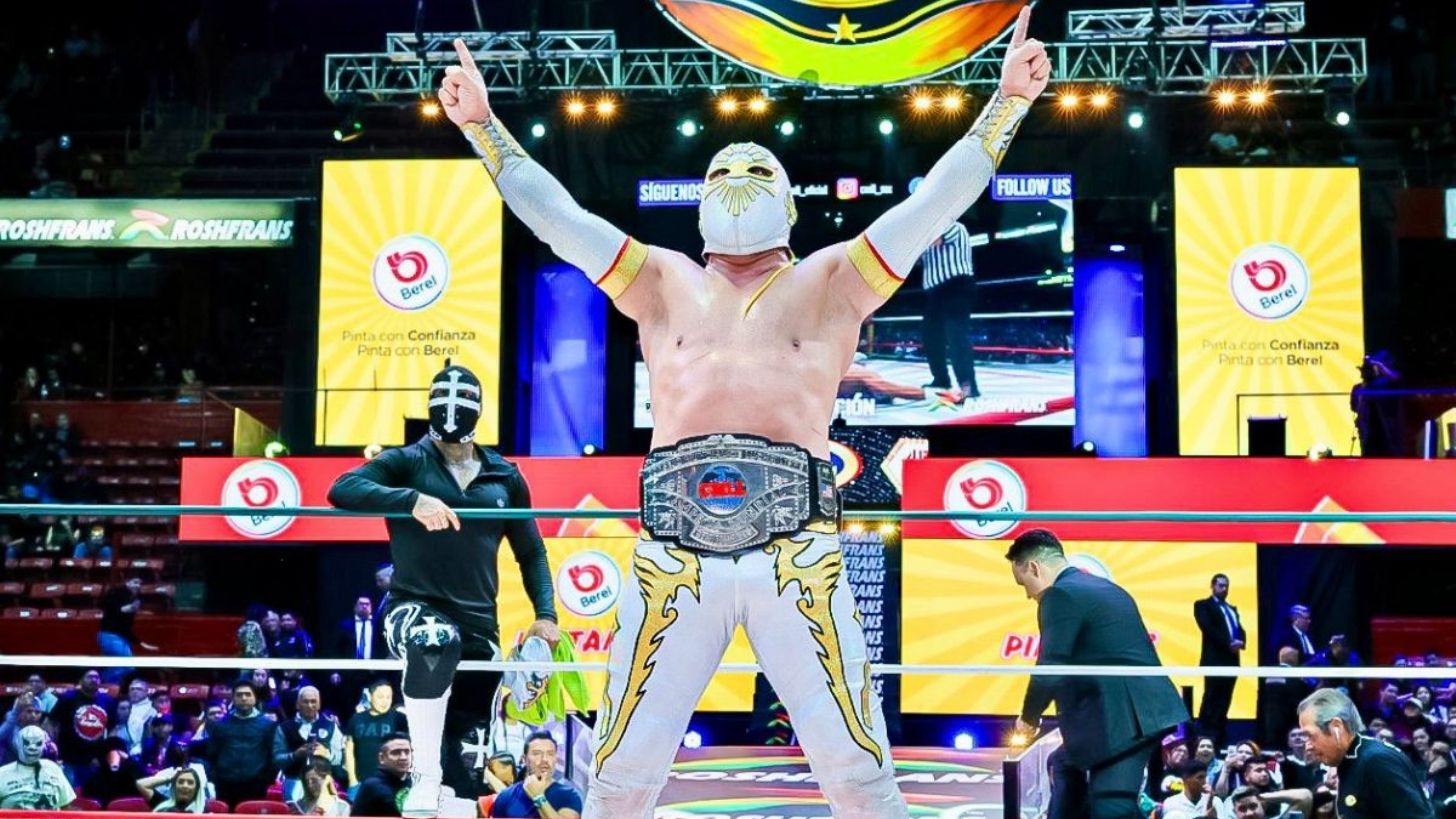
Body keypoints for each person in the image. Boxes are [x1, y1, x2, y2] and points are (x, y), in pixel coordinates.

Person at [434, 6, 1051, 816]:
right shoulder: (658, 280)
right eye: (724, 167)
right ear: (699, 205)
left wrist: (1007, 103)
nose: (738, 172)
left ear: (789, 204)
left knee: (857, 769)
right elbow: (560, 221)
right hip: (673, 552)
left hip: (795, 549)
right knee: (621, 772)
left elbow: (933, 205)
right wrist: (482, 127)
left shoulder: (834, 280)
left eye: (758, 167)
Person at [328, 363, 560, 814]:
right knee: (435, 639)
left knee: (467, 771)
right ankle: (425, 773)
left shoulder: (505, 475)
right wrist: (411, 500)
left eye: (462, 401)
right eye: (442, 400)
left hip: (479, 625)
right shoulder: (406, 461)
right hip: (412, 609)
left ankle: (448, 785)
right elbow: (342, 489)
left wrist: (546, 615)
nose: (452, 409)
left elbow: (531, 551)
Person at [1008, 529, 1189, 818]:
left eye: (1024, 584)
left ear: (1034, 568)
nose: (1028, 595)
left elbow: (1051, 667)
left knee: (1111, 806)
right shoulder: (1104, 587)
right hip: (1135, 712)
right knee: (1065, 763)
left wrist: (1029, 718)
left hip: (1127, 719)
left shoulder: (1059, 595)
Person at [1296, 687, 1436, 818]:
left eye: (1310, 736)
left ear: (1336, 727)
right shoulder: (1352, 762)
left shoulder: (1376, 761)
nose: (1307, 747)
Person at [916, 221, 980, 402]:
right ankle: (941, 380)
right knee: (930, 337)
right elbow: (916, 259)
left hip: (956, 286)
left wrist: (913, 236)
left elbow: (935, 240)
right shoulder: (925, 234)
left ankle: (968, 386)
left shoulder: (953, 226)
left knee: (956, 336)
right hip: (935, 293)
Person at [196, 681, 277, 807]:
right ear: (233, 698)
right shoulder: (220, 725)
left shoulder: (267, 726)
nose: (244, 698)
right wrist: (216, 778)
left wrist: (266, 780)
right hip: (225, 785)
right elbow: (212, 754)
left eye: (248, 694)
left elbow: (273, 756)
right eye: (239, 695)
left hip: (256, 785)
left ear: (255, 698)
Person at [1195, 573, 1245, 746]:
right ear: (1213, 586)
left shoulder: (1231, 609)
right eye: (1221, 585)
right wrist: (1228, 643)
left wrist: (1241, 641)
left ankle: (1220, 736)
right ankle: (1204, 734)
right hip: (1214, 660)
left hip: (1232, 661)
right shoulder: (1203, 605)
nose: (1224, 589)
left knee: (1225, 700)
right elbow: (1208, 628)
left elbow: (1239, 629)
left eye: (1226, 586)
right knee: (1211, 698)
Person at [273, 686, 344, 800]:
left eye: (313, 701)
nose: (310, 705)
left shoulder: (331, 726)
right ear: (298, 704)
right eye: (305, 702)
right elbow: (276, 759)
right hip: (293, 782)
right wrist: (295, 755)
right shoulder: (284, 727)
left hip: (323, 782)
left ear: (319, 704)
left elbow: (341, 757)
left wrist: (328, 754)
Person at [489, 732, 581, 818]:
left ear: (555, 759)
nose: (545, 759)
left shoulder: (569, 795)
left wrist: (538, 797)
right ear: (524, 759)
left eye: (550, 754)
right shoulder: (506, 796)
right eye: (537, 753)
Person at [345, 681, 408, 798]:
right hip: (361, 784)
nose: (385, 701)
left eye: (388, 697)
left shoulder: (399, 719)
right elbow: (349, 750)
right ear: (370, 696)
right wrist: (352, 781)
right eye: (380, 697)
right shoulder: (357, 719)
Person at [0, 725, 75, 809]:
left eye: (38, 743)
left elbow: (65, 807)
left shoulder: (53, 769)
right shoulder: (2, 774)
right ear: (18, 743)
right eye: (27, 742)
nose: (32, 747)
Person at [98, 577, 151, 681]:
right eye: (135, 582)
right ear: (127, 582)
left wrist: (139, 642)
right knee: (125, 666)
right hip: (111, 636)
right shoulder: (117, 593)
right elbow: (107, 606)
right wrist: (124, 609)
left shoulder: (133, 599)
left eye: (140, 583)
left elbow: (126, 625)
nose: (138, 585)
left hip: (119, 637)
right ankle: (105, 685)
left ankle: (106, 686)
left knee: (118, 666)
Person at [1259, 648, 1310, 750]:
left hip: (1266, 723)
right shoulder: (1295, 677)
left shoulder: (1268, 675)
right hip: (1289, 722)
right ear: (1293, 658)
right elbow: (1299, 699)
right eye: (1296, 657)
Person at [352, 734, 412, 818]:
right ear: (382, 758)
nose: (403, 757)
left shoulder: (412, 783)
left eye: (407, 752)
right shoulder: (372, 786)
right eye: (396, 752)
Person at [1161, 758, 1232, 819]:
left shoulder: (1215, 801)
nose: (1204, 781)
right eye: (1200, 777)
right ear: (1186, 779)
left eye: (1205, 777)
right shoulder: (1171, 803)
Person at [136, 765, 208, 813]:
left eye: (190, 783)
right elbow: (140, 784)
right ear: (174, 787)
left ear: (197, 788)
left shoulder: (204, 811)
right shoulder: (163, 804)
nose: (185, 786)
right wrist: (169, 778)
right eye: (180, 782)